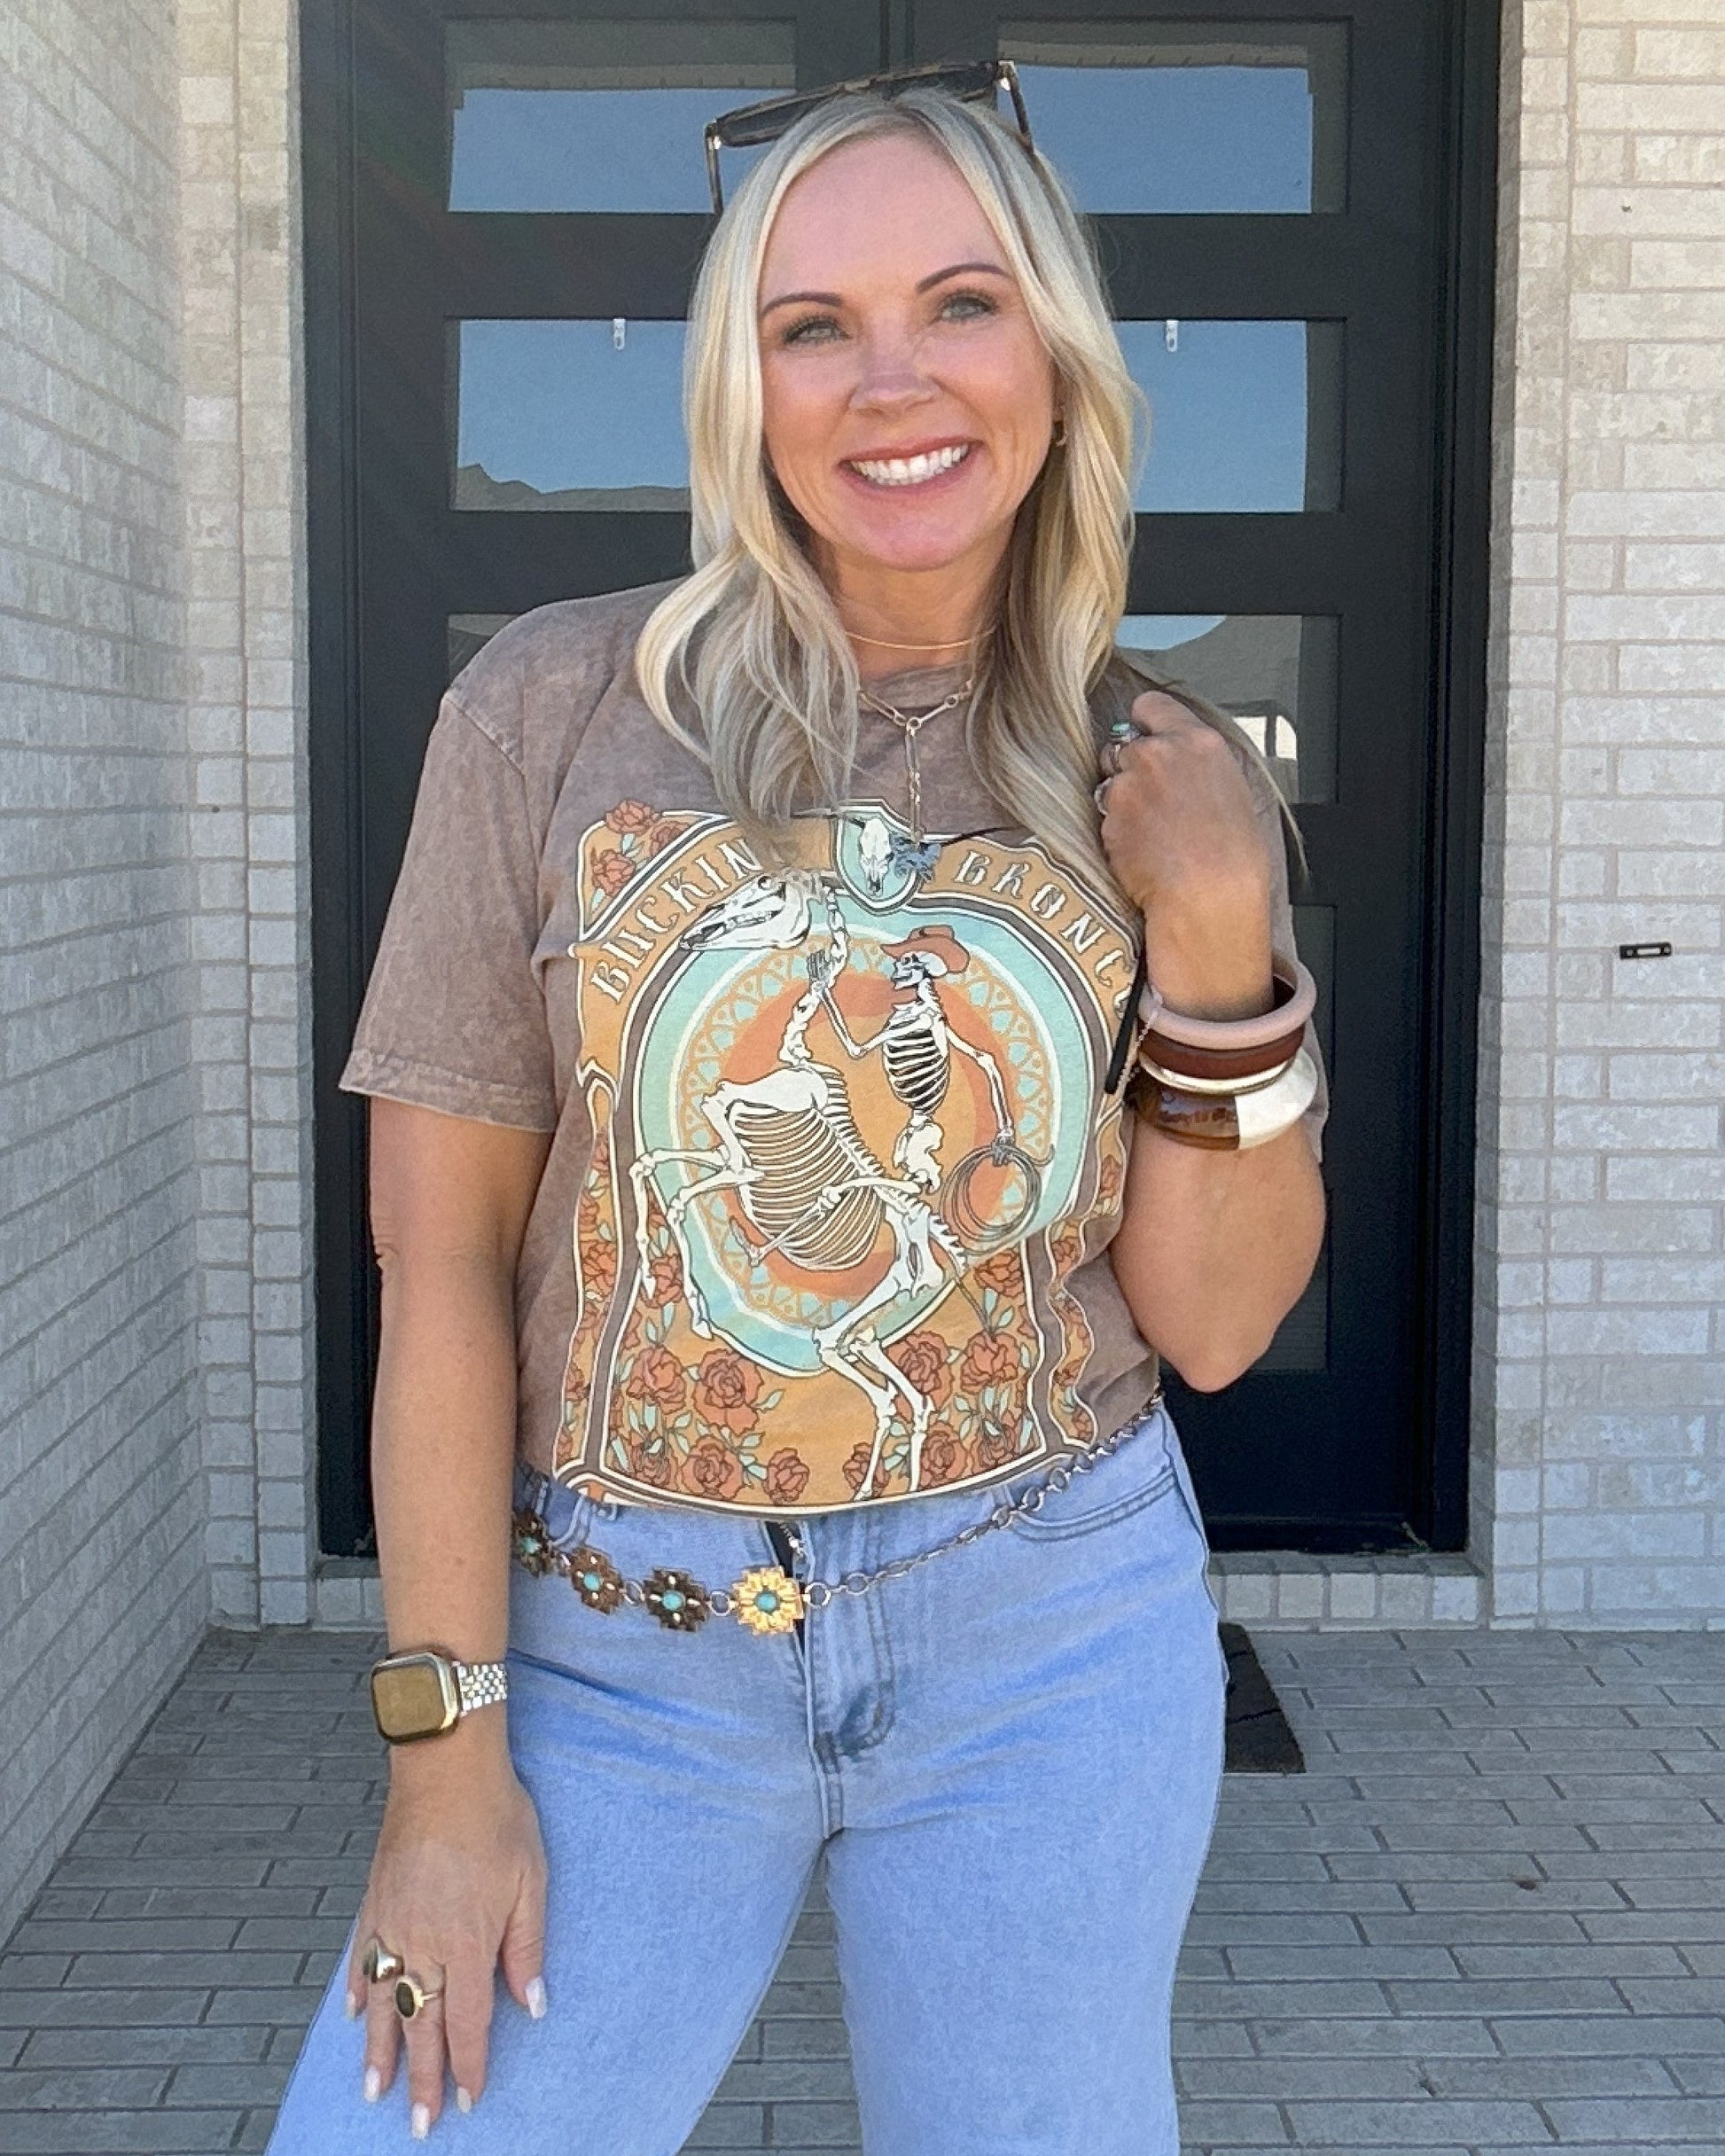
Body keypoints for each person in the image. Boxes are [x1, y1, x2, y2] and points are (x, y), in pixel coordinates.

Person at [266, 66, 1326, 2156]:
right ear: (739, 389)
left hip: (1052, 1637)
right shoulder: (553, 707)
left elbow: (1212, 1325)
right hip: (618, 1647)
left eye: (961, 303)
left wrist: (1217, 945)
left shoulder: (1162, 763)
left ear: (1055, 357)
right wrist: (442, 1765)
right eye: (812, 324)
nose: (889, 380)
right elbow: (439, 1262)